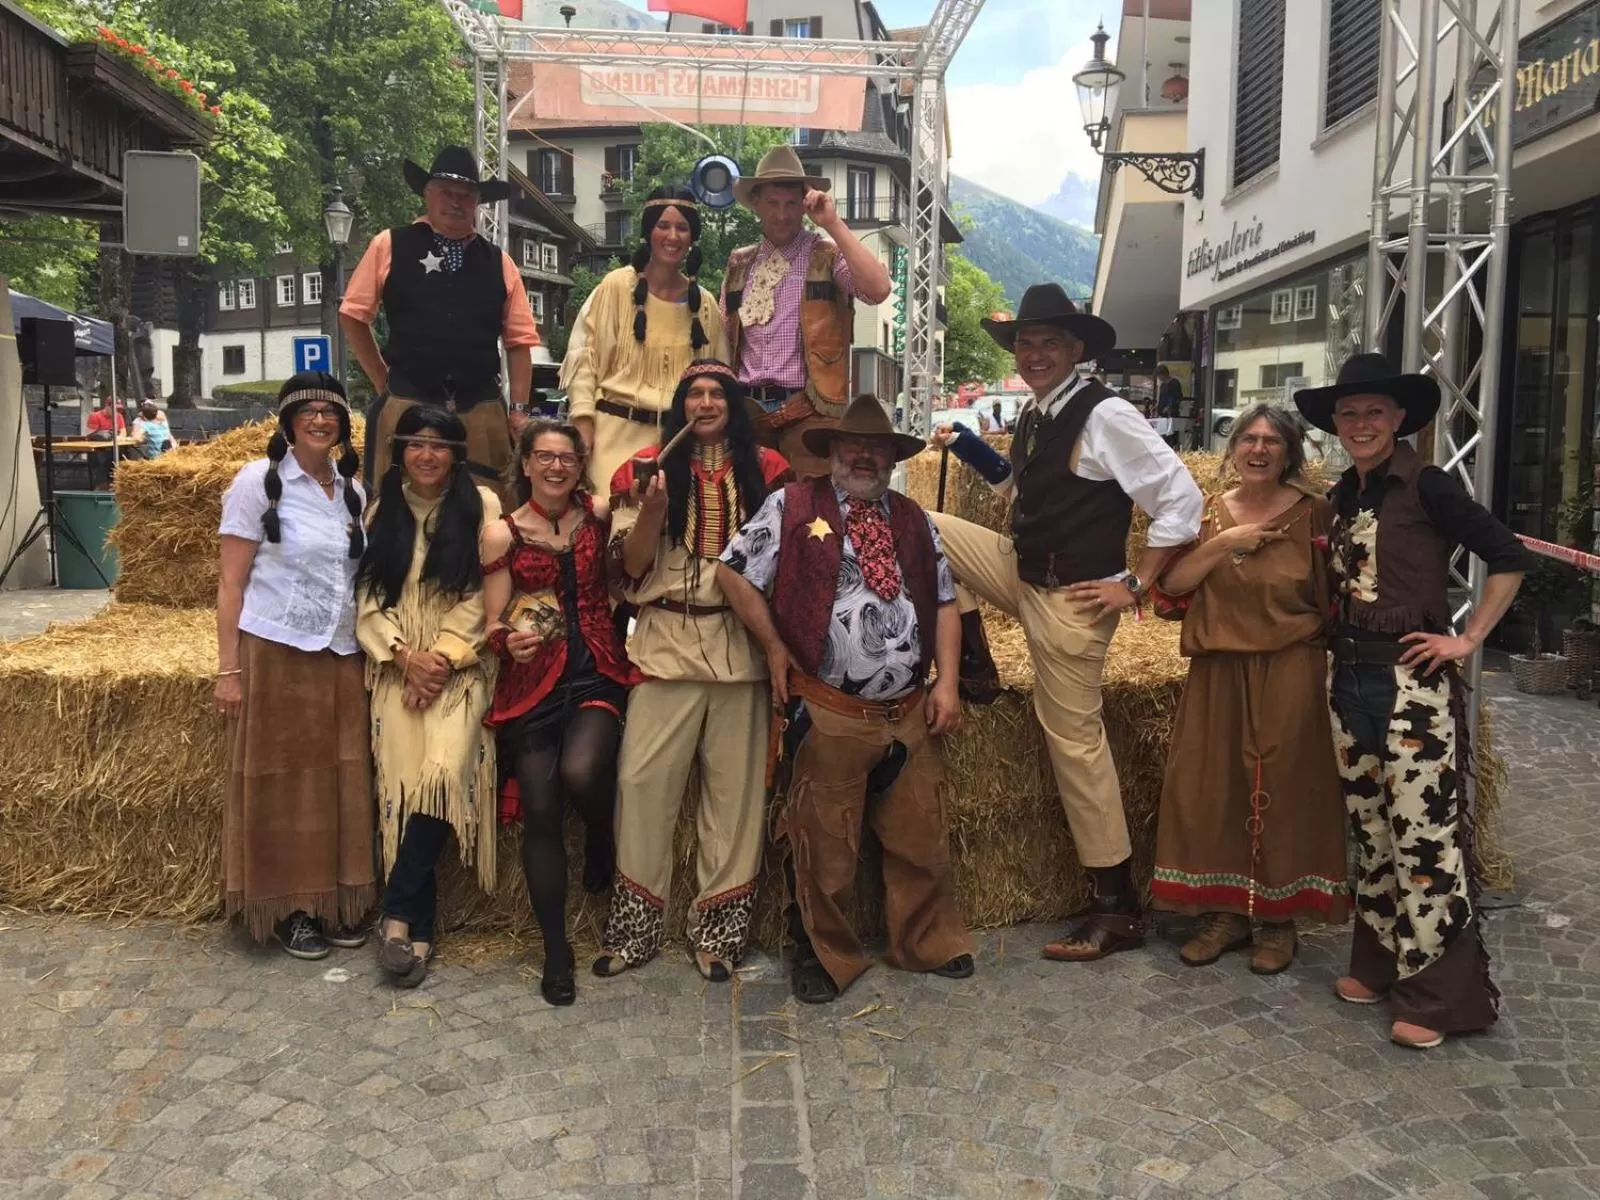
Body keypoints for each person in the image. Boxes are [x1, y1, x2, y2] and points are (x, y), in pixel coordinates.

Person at [931, 283, 1204, 963]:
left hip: (1071, 600)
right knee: (923, 526)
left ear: (1076, 349)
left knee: (1074, 744)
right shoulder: (1038, 414)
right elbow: (1026, 493)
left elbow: (1183, 500)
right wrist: (968, 446)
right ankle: (974, 665)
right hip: (1023, 571)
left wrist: (1136, 582)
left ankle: (1116, 908)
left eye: (1049, 342)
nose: (1034, 353)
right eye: (1026, 342)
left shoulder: (1105, 414)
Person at [1294, 353, 1531, 1050]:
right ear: (1335, 425)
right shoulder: (1342, 494)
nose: (1361, 423)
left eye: (1374, 412)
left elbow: (1509, 556)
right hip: (1349, 678)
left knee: (1424, 836)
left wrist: (1468, 639)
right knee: (1370, 830)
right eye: (1349, 413)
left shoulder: (1427, 484)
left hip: (1412, 683)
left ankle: (1439, 996)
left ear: (1400, 420)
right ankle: (1378, 962)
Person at [718, 395, 974, 1004]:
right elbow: (731, 571)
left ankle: (926, 941)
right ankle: (819, 952)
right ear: (831, 452)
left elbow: (943, 601)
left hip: (907, 711)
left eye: (877, 448)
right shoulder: (793, 505)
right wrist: (775, 649)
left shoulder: (913, 517)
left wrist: (946, 682)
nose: (864, 456)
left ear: (890, 457)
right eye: (853, 446)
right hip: (829, 707)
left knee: (919, 836)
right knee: (823, 843)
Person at [593, 359, 791, 982]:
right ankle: (633, 932)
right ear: (680, 405)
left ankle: (719, 936)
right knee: (641, 785)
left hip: (740, 649)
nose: (705, 403)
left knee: (733, 800)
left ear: (733, 402)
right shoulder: (645, 467)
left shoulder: (769, 470)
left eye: (717, 393)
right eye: (694, 394)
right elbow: (631, 565)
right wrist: (652, 507)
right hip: (666, 642)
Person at [1148, 404, 1350, 975]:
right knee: (1214, 788)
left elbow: (1340, 595)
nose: (1259, 450)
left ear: (1290, 452)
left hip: (1291, 665)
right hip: (1218, 669)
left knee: (1286, 787)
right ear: (1233, 447)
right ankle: (1226, 914)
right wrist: (1223, 544)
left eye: (1272, 442)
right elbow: (1170, 589)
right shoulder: (1207, 513)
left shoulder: (1316, 514)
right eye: (1249, 440)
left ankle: (1279, 922)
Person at [480, 419, 642, 1006]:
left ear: (579, 465)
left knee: (579, 771)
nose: (555, 468)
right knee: (542, 809)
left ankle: (602, 832)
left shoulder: (598, 516)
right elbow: (494, 621)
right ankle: (556, 950)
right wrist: (508, 643)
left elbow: (635, 494)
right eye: (544, 458)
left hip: (598, 666)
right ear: (524, 464)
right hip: (533, 682)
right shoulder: (501, 535)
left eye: (566, 459)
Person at [214, 373, 373, 959]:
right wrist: (228, 671)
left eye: (329, 411)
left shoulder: (354, 488)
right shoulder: (258, 482)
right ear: (285, 420)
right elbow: (230, 583)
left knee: (341, 779)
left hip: (340, 652)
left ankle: (332, 902)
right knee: (282, 784)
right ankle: (289, 910)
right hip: (277, 647)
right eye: (306, 410)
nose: (319, 419)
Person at [356, 405, 501, 988]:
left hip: (462, 669)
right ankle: (417, 933)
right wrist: (402, 656)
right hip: (396, 669)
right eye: (415, 444)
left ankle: (395, 914)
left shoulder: (483, 510)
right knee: (404, 777)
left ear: (456, 454)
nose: (426, 455)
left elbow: (486, 595)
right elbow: (366, 600)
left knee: (441, 770)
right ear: (400, 453)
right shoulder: (379, 512)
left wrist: (440, 656)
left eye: (439, 446)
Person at [340, 145, 539, 509]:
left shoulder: (500, 262)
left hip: (479, 409)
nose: (456, 202)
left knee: (488, 509)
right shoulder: (389, 245)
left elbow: (519, 341)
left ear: (478, 203)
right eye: (446, 192)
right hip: (408, 402)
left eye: (466, 196)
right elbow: (353, 315)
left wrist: (520, 409)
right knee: (397, 509)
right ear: (427, 195)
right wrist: (382, 380)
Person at [721, 146, 893, 479]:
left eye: (790, 204)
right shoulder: (739, 262)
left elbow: (878, 290)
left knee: (811, 520)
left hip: (812, 411)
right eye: (772, 203)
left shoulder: (827, 255)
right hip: (749, 411)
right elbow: (723, 337)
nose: (782, 215)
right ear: (755, 203)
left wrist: (832, 222)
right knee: (750, 517)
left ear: (804, 203)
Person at [563, 186, 728, 498]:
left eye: (682, 228)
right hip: (612, 439)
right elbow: (584, 359)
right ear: (648, 233)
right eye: (663, 226)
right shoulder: (615, 287)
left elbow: (719, 379)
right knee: (610, 526)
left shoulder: (705, 305)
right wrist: (583, 423)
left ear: (692, 238)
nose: (673, 236)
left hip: (679, 446)